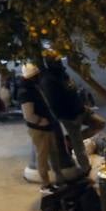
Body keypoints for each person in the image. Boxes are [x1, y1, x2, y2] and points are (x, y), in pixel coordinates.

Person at [17, 62, 66, 191]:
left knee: (53, 154)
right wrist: (41, 121)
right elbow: (28, 115)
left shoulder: (33, 87)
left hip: (47, 126)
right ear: (32, 76)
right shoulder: (25, 92)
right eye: (36, 75)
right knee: (43, 157)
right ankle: (45, 184)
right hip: (39, 129)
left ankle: (58, 180)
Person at [38, 59, 91, 174]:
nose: (59, 62)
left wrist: (81, 106)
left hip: (78, 111)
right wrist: (71, 116)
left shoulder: (62, 74)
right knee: (78, 144)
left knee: (99, 123)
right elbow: (56, 103)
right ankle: (85, 168)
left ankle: (69, 141)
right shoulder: (49, 80)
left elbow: (72, 92)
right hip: (70, 116)